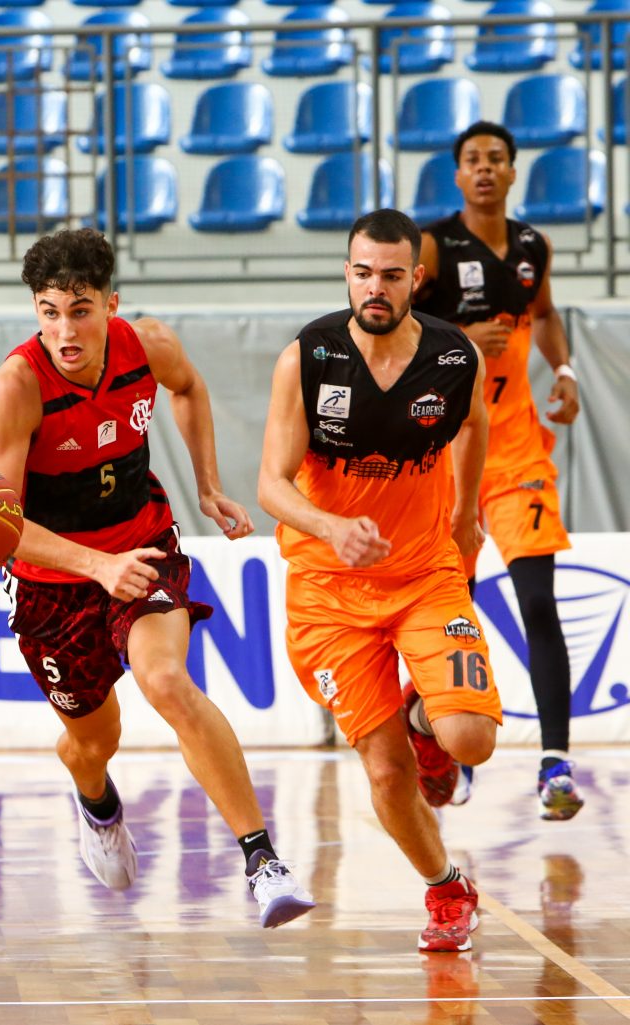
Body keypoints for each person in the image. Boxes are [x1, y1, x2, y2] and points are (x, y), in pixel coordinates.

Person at [0, 227, 314, 929]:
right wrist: (97, 567)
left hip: (143, 545)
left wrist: (208, 485)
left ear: (111, 304)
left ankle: (262, 862)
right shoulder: (14, 388)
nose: (65, 331)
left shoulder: (148, 344)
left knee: (167, 681)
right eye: (49, 312)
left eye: (80, 310)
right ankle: (97, 803)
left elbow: (189, 388)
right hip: (53, 582)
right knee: (92, 741)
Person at [257, 208, 503, 953]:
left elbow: (474, 426)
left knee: (472, 739)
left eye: (391, 275)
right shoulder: (308, 357)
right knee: (387, 771)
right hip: (329, 592)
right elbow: (270, 484)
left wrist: (466, 514)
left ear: (415, 279)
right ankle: (446, 888)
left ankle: (426, 718)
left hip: (424, 573)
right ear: (347, 273)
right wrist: (331, 526)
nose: (375, 287)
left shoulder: (455, 357)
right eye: (362, 273)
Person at [414, 121, 584, 821]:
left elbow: (543, 314)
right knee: (451, 607)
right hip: (446, 457)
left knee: (538, 602)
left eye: (496, 160)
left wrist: (565, 368)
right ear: (457, 175)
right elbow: (391, 331)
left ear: (513, 172)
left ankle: (555, 763)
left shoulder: (532, 247)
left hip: (515, 450)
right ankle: (448, 746)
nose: (484, 169)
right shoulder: (432, 246)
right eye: (472, 160)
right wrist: (460, 338)